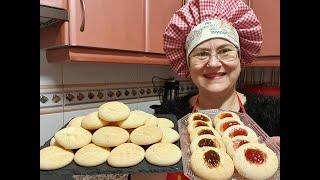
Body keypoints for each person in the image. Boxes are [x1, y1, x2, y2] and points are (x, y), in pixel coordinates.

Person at [149, 0, 280, 179]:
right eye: (201, 53)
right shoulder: (168, 116)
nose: (213, 63)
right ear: (188, 64)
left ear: (240, 58)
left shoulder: (274, 113)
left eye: (225, 50)